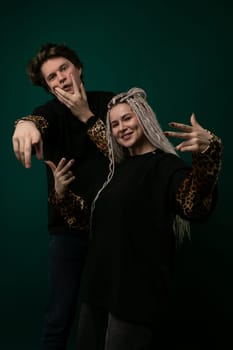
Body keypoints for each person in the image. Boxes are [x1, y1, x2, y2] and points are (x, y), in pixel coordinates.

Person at [47, 87, 223, 349]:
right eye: (115, 124)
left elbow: (194, 206)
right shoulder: (114, 172)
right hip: (98, 287)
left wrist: (210, 153)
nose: (121, 128)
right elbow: (87, 223)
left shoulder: (165, 166)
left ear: (144, 117)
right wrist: (61, 194)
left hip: (135, 294)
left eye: (127, 118)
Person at [12, 42, 114, 350]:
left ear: (78, 68)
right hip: (68, 229)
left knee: (108, 314)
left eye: (64, 69)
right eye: (51, 78)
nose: (60, 79)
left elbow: (125, 155)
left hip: (112, 227)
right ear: (48, 87)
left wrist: (85, 115)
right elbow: (37, 120)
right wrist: (24, 124)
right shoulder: (50, 113)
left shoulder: (110, 104)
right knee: (59, 317)